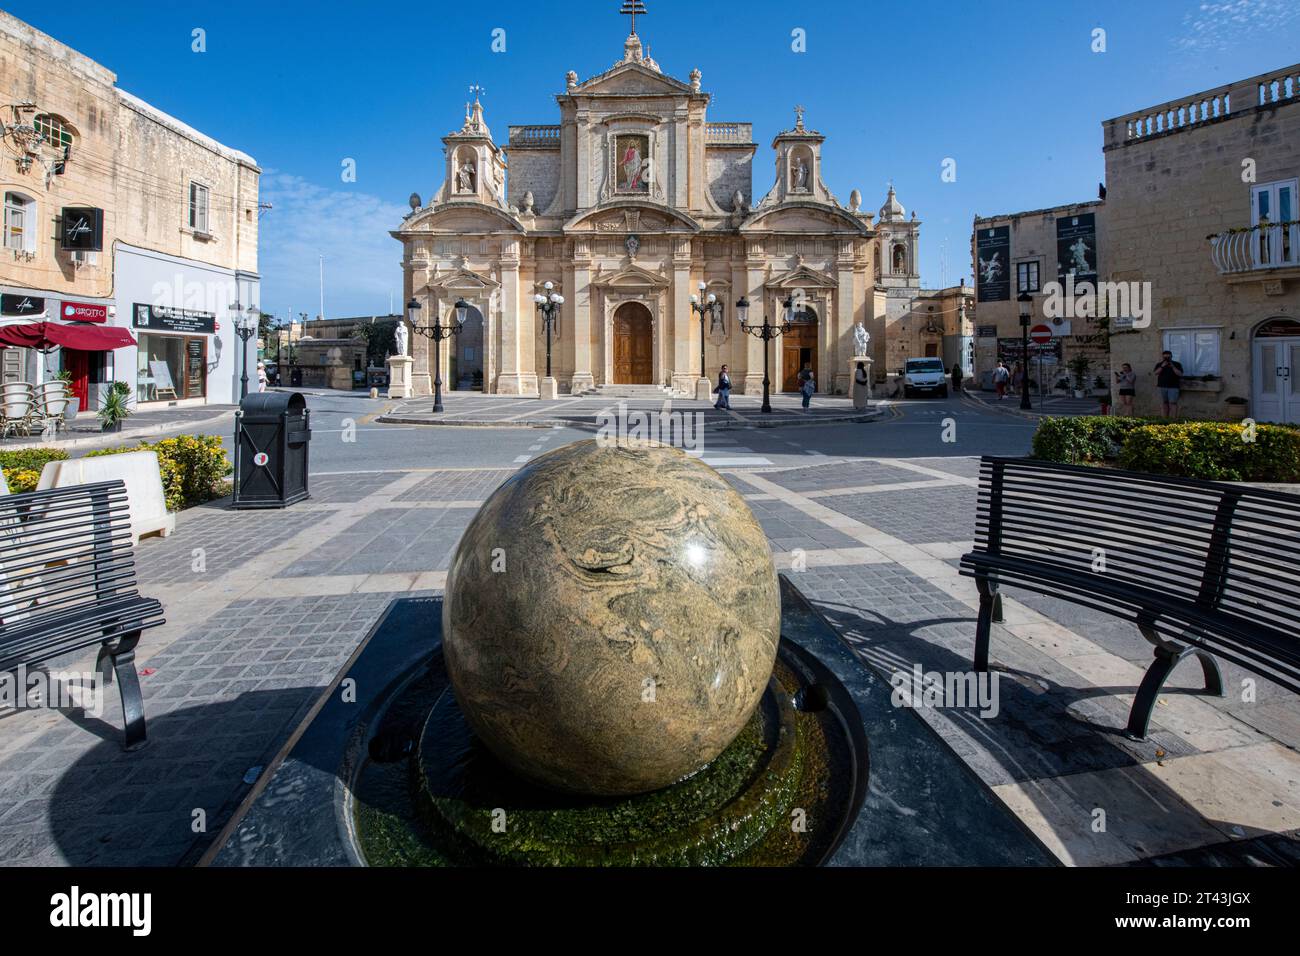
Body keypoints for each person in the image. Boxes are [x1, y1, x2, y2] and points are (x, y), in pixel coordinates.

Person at [1153, 350, 1183, 418]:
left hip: (1173, 387)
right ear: (1162, 357)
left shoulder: (1177, 364)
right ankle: (1164, 419)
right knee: (1164, 403)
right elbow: (1155, 373)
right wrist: (1162, 366)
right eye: (1165, 357)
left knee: (1173, 403)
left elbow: (1180, 374)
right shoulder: (1159, 364)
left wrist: (1172, 366)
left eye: (1168, 357)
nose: (1166, 359)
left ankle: (1173, 419)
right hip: (1162, 386)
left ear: (1171, 357)